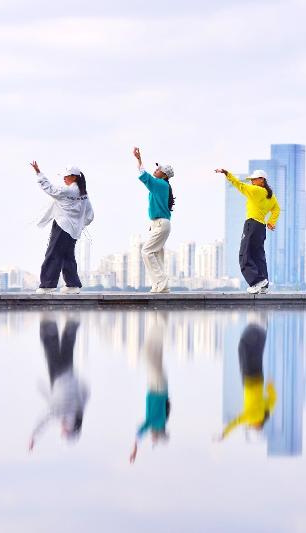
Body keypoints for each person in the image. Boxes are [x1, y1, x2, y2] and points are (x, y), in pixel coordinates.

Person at [31, 161, 94, 294]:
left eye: (66, 176)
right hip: (74, 230)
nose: (64, 178)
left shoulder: (67, 190)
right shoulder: (83, 194)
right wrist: (81, 225)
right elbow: (90, 214)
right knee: (67, 256)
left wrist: (39, 173)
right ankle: (73, 285)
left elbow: (49, 188)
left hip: (62, 226)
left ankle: (48, 285)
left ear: (74, 177)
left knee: (53, 254)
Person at [29, 314, 89, 451]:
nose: (61, 430)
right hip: (57, 376)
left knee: (67, 345)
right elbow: (45, 419)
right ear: (70, 428)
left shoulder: (80, 409)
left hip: (68, 373)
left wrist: (76, 380)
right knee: (50, 345)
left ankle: (72, 322)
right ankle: (49, 321)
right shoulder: (63, 414)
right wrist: (34, 436)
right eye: (64, 432)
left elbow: (86, 391)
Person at [215, 168, 280, 294]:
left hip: (252, 225)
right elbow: (276, 209)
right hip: (261, 228)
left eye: (254, 179)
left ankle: (256, 282)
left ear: (262, 180)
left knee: (244, 254)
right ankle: (264, 284)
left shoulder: (256, 190)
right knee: (258, 255)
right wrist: (271, 222)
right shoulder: (271, 196)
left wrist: (227, 174)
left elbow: (239, 185)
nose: (252, 182)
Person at [216, 315, 277, 441]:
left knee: (256, 355)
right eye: (255, 427)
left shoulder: (267, 411)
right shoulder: (252, 417)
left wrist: (270, 385)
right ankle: (256, 326)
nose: (252, 426)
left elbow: (273, 398)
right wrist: (223, 434)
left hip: (259, 378)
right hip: (248, 379)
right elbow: (235, 423)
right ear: (258, 424)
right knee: (243, 348)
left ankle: (261, 328)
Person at [133, 147, 175, 293]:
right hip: (158, 223)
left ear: (164, 174)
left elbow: (144, 176)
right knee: (156, 254)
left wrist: (139, 159)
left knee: (147, 251)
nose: (155, 170)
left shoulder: (160, 184)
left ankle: (161, 281)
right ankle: (160, 286)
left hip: (160, 224)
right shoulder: (162, 185)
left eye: (158, 169)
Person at [130, 312, 170, 463]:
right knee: (147, 352)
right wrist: (135, 449)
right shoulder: (155, 423)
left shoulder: (162, 421)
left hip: (160, 386)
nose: (152, 437)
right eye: (155, 437)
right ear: (158, 433)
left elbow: (144, 432)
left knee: (155, 351)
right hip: (157, 387)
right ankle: (161, 321)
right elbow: (140, 432)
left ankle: (162, 317)